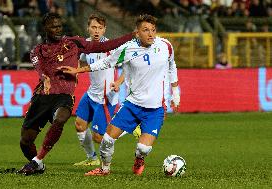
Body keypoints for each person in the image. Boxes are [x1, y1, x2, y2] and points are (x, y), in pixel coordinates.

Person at [58, 14, 180, 176]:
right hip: (132, 105)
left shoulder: (165, 45)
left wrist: (175, 91)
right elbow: (105, 63)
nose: (150, 34)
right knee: (107, 140)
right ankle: (104, 169)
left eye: (153, 30)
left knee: (143, 148)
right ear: (137, 32)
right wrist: (78, 70)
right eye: (145, 30)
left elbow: (172, 65)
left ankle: (139, 158)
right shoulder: (127, 48)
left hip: (154, 109)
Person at [16, 12, 135, 176]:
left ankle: (38, 160)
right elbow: (40, 68)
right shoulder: (37, 50)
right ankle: (41, 164)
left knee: (78, 127)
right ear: (45, 28)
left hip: (84, 95)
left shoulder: (74, 43)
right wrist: (45, 77)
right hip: (46, 96)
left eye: (60, 26)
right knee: (26, 140)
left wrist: (132, 35)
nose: (58, 29)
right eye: (54, 26)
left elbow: (108, 49)